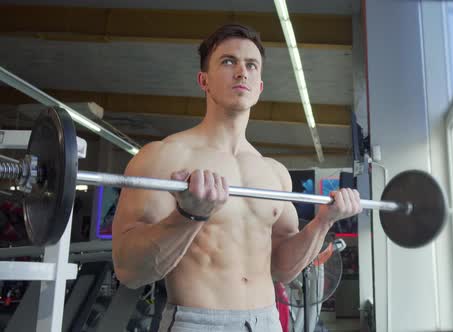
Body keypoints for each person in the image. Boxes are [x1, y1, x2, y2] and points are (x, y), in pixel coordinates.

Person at [111, 23, 362, 332]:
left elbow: (282, 270)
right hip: (199, 322)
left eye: (251, 65)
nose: (242, 72)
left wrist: (324, 222)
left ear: (259, 87)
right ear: (204, 80)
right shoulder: (165, 157)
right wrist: (189, 215)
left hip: (267, 321)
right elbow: (129, 271)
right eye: (228, 61)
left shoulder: (274, 173)